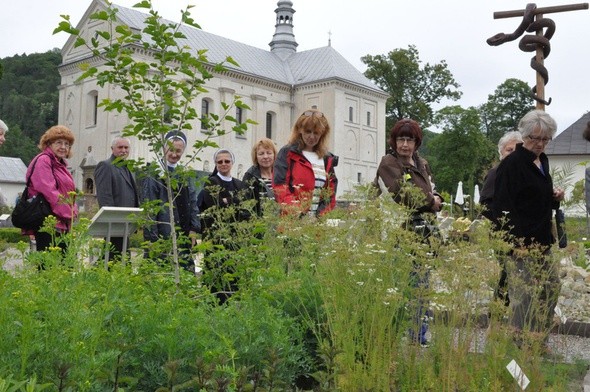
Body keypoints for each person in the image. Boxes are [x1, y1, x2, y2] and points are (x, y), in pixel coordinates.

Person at [492, 110, 564, 345]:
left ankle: (538, 343)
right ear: (524, 136)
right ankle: (518, 349)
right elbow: (502, 207)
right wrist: (516, 244)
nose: (539, 144)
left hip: (543, 241)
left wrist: (553, 198)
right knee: (523, 298)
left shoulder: (542, 161)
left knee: (550, 289)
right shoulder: (511, 165)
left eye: (545, 139)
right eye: (534, 138)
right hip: (521, 245)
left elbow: (533, 198)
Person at [372, 118, 442, 347]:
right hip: (398, 231)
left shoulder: (422, 163)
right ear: (394, 141)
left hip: (423, 232)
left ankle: (417, 335)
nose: (404, 145)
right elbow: (406, 195)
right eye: (401, 139)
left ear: (416, 142)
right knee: (402, 284)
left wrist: (436, 197)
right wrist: (432, 201)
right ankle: (394, 333)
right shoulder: (388, 163)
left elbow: (431, 188)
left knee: (422, 284)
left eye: (409, 140)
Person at [199, 148, 254, 304]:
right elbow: (215, 207)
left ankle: (232, 304)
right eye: (220, 162)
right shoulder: (211, 182)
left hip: (236, 237)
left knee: (234, 271)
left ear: (232, 163)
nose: (223, 164)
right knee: (216, 271)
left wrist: (228, 201)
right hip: (217, 237)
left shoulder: (240, 184)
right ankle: (213, 304)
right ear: (216, 164)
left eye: (227, 161)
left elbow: (245, 211)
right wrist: (234, 204)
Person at [141, 130, 200, 272]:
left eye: (178, 151)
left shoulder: (184, 173)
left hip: (183, 234)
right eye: (171, 149)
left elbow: (192, 203)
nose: (174, 154)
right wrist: (152, 240)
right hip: (163, 234)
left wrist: (193, 229)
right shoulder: (154, 174)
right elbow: (149, 209)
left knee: (185, 275)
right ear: (164, 148)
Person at [480, 131, 523, 306]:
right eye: (509, 150)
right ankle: (498, 315)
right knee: (510, 273)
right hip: (502, 235)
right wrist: (506, 220)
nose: (513, 153)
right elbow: (484, 205)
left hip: (525, 235)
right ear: (501, 153)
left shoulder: (524, 175)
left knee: (517, 276)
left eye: (517, 150)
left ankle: (506, 316)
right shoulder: (496, 173)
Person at [24, 125, 78, 254]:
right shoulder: (44, 160)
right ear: (48, 144)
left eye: (67, 144)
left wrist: (73, 209)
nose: (63, 147)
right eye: (58, 142)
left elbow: (68, 192)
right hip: (48, 222)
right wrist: (69, 212)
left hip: (61, 222)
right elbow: (48, 191)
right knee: (49, 266)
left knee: (65, 264)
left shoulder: (61, 164)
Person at [273, 109, 338, 217]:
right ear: (300, 130)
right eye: (308, 131)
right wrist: (298, 214)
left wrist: (320, 216)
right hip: (292, 221)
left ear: (322, 133)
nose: (312, 136)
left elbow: (330, 194)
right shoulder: (287, 153)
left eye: (316, 132)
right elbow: (280, 187)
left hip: (318, 225)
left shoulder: (327, 159)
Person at [94, 136, 139, 261]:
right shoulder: (105, 166)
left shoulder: (127, 168)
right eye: (120, 147)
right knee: (113, 259)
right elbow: (105, 196)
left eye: (126, 147)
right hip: (114, 223)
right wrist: (112, 219)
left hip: (125, 223)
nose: (123, 150)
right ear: (112, 149)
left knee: (121, 259)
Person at [242, 138, 276, 215]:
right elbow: (246, 205)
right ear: (256, 157)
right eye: (261, 154)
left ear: (274, 154)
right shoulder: (250, 177)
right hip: (260, 224)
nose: (265, 156)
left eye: (269, 153)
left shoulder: (281, 174)